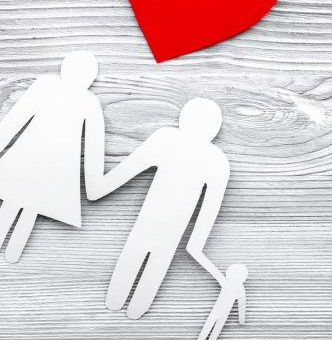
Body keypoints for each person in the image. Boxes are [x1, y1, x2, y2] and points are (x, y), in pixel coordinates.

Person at [85, 98, 246, 326]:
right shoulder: (214, 160)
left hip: (156, 231)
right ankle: (126, 307)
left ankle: (125, 306)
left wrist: (98, 185)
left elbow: (123, 173)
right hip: (160, 234)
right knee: (139, 280)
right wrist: (196, 248)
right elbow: (207, 213)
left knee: (133, 280)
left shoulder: (176, 143)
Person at [0, 51, 104, 263]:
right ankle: (4, 252)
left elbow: (1, 137)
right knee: (28, 207)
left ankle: (1, 251)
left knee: (20, 203)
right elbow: (94, 159)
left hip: (35, 165)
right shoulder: (85, 100)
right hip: (47, 170)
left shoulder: (52, 88)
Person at [196, 264, 247, 340]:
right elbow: (242, 306)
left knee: (209, 326)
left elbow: (214, 272)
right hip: (223, 312)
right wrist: (241, 321)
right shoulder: (240, 289)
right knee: (216, 328)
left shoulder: (227, 283)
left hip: (217, 310)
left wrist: (241, 321)